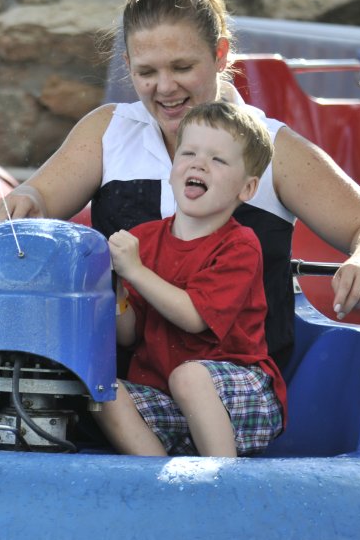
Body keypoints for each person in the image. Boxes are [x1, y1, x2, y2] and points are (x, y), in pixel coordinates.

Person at [0, 0, 360, 447]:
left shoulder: (270, 147)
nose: (165, 88)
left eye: (182, 66)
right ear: (127, 66)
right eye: (147, 72)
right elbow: (41, 197)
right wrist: (24, 201)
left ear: (220, 54)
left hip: (200, 378)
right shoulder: (108, 130)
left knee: (33, 309)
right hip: (104, 347)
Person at [96, 101, 284, 457]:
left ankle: (219, 484)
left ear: (247, 189)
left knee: (190, 377)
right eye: (190, 153)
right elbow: (129, 334)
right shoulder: (146, 238)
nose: (199, 163)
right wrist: (116, 286)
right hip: (165, 397)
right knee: (103, 391)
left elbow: (193, 318)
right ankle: (162, 487)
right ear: (171, 169)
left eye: (218, 159)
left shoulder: (239, 245)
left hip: (239, 397)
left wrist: (135, 270)